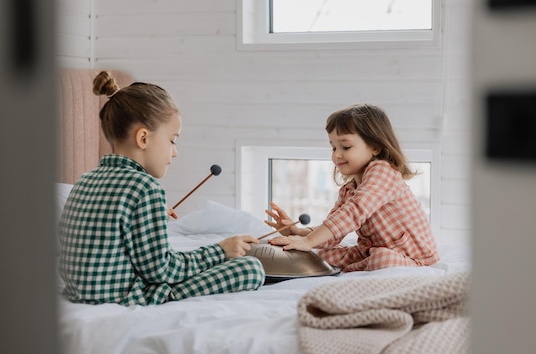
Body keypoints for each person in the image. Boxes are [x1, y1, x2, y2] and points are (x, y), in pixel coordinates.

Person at [58, 71, 264, 306]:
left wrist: (151, 217)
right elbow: (161, 271)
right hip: (124, 296)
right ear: (144, 138)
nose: (175, 151)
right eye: (172, 140)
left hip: (78, 293)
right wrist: (220, 250)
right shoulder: (146, 188)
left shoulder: (85, 180)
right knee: (250, 268)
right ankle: (171, 296)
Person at [267, 104, 440, 272]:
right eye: (333, 147)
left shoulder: (383, 171)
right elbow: (335, 231)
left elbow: (354, 211)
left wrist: (309, 241)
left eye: (346, 147)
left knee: (381, 258)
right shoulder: (348, 190)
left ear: (375, 147)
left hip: (414, 257)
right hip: (371, 250)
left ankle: (353, 269)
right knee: (320, 257)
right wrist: (299, 232)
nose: (336, 154)